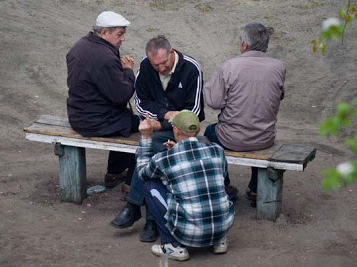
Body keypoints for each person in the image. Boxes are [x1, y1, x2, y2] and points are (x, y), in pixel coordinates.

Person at [110, 36, 208, 242]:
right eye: (157, 65)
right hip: (159, 124)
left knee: (152, 146)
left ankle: (135, 206)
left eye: (164, 63)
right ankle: (151, 220)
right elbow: (141, 103)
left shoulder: (191, 68)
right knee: (155, 148)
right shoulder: (146, 67)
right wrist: (164, 115)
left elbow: (195, 111)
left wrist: (162, 123)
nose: (161, 68)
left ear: (172, 51)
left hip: (184, 129)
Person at [203, 22, 286, 207]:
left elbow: (214, 102)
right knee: (256, 132)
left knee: (209, 132)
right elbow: (279, 96)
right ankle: (256, 189)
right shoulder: (279, 67)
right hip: (265, 137)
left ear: (244, 45)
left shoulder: (230, 66)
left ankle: (224, 185)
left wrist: (210, 85)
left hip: (231, 138)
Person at [137, 110, 234, 261]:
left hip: (189, 233)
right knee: (210, 185)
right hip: (223, 227)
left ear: (175, 130)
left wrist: (145, 137)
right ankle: (218, 240)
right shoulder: (217, 150)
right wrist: (176, 149)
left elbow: (142, 172)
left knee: (150, 186)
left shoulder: (165, 159)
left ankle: (172, 245)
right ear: (198, 130)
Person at [66, 11, 139, 190]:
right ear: (104, 32)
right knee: (142, 127)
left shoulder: (79, 46)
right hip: (96, 122)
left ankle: (115, 171)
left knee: (126, 117)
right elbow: (122, 95)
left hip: (77, 116)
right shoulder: (105, 57)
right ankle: (130, 180)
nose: (122, 39)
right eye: (119, 34)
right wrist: (128, 71)